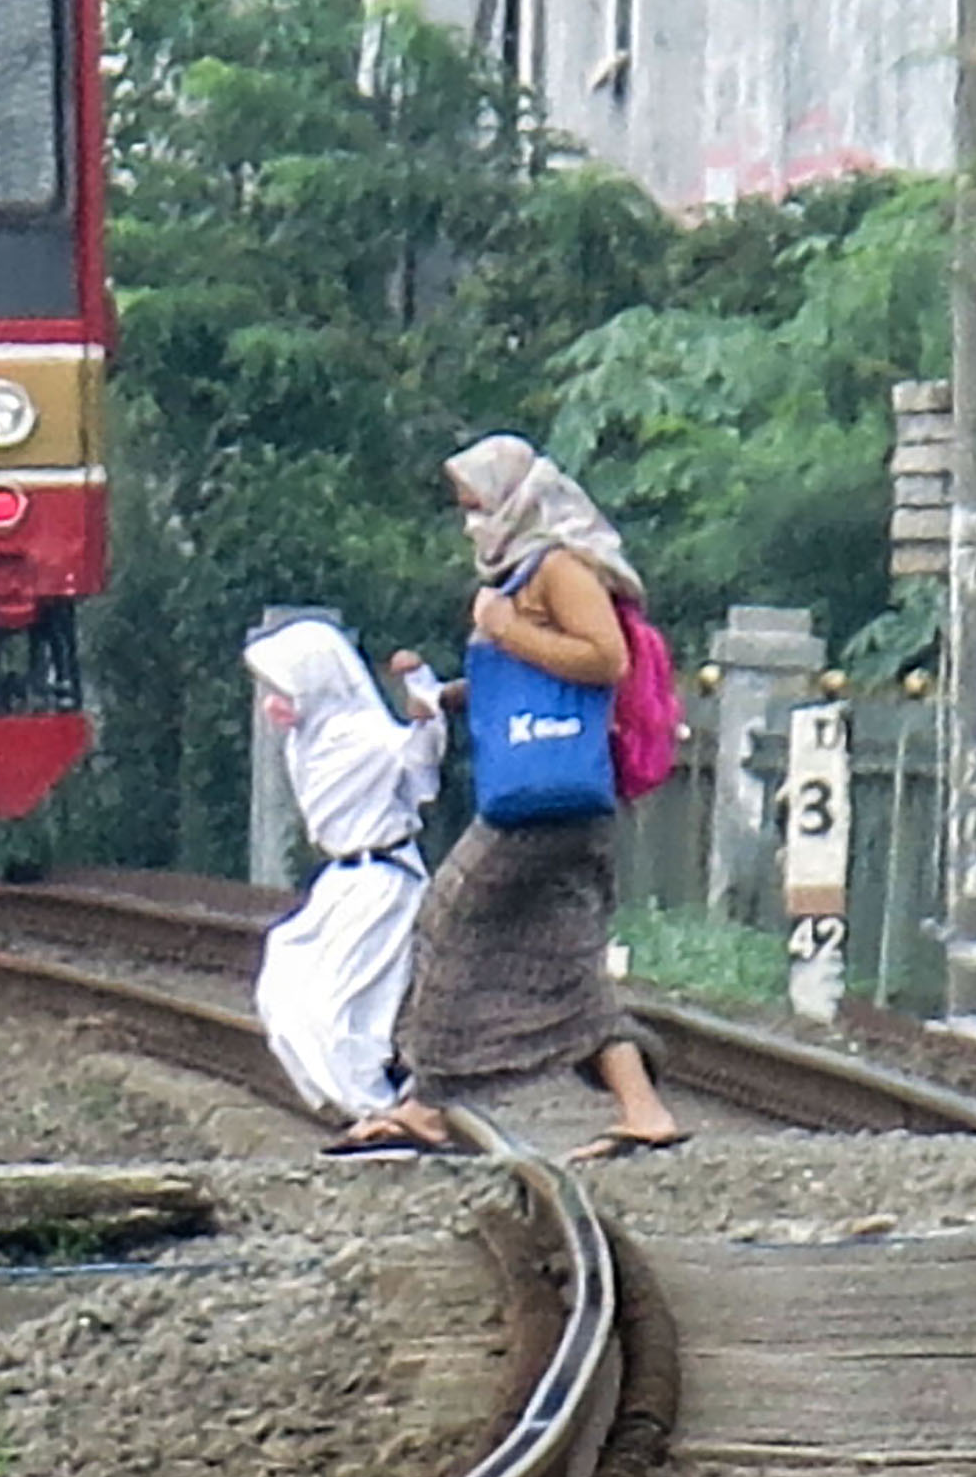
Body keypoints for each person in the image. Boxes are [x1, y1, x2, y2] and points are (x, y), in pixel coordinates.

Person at [333, 435, 694, 1162]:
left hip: (546, 802)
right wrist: (448, 696)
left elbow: (603, 661)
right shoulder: (522, 571)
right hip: (559, 803)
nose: (471, 525)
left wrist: (505, 627)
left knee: (450, 919)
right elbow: (532, 683)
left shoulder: (559, 566)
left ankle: (425, 1105)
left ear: (516, 500)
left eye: (477, 508)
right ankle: (643, 1110)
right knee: (567, 963)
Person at [244, 614, 447, 1128]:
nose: (274, 700)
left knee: (344, 1003)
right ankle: (365, 1105)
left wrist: (423, 699)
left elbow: (419, 758)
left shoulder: (365, 736)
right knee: (287, 984)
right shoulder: (305, 744)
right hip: (342, 879)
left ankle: (379, 1108)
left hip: (382, 880)